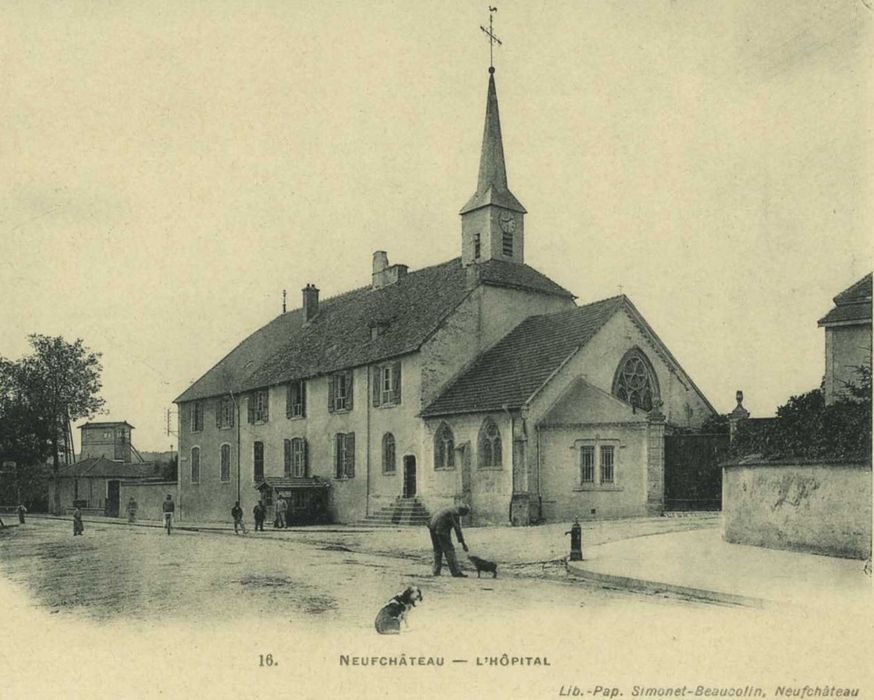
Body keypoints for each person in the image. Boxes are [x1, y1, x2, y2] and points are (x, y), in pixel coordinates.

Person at [428, 505, 470, 577]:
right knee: (449, 550)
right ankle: (456, 572)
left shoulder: (450, 509)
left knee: (437, 550)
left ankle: (436, 571)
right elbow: (457, 529)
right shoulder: (455, 513)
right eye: (465, 514)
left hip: (432, 526)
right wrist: (463, 544)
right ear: (463, 512)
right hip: (440, 529)